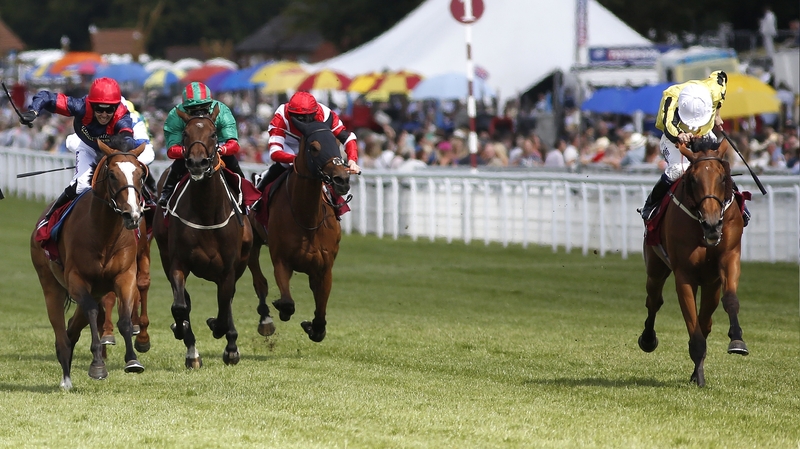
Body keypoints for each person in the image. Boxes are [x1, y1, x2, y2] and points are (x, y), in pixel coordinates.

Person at [19, 77, 140, 224]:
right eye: (99, 109)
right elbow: (46, 96)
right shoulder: (80, 106)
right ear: (92, 105)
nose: (104, 114)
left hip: (113, 152)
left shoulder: (122, 116)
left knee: (131, 178)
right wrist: (33, 111)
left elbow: (127, 138)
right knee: (82, 184)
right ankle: (49, 218)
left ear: (116, 108)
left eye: (109, 109)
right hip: (87, 147)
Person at [639, 70, 749, 224]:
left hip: (704, 133)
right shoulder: (670, 98)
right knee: (678, 169)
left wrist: (717, 114)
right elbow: (669, 125)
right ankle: (651, 204)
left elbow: (722, 78)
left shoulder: (714, 87)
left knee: (718, 167)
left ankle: (739, 204)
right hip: (674, 140)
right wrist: (680, 134)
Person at [158, 82, 245, 207]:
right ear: (185, 108)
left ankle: (246, 198)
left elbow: (234, 144)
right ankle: (166, 193)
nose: (199, 113)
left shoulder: (222, 111)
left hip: (215, 145)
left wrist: (221, 149)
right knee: (178, 165)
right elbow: (172, 150)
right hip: (190, 149)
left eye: (203, 108)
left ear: (210, 104)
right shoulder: (175, 115)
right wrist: (187, 151)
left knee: (233, 165)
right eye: (192, 111)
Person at [254, 91, 360, 191]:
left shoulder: (326, 114)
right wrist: (301, 159)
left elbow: (348, 138)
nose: (304, 122)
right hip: (290, 145)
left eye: (308, 117)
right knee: (286, 164)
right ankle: (260, 186)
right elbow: (275, 153)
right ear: (289, 113)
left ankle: (337, 206)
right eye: (299, 118)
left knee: (330, 169)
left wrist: (352, 160)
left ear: (315, 112)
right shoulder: (281, 116)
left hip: (312, 147)